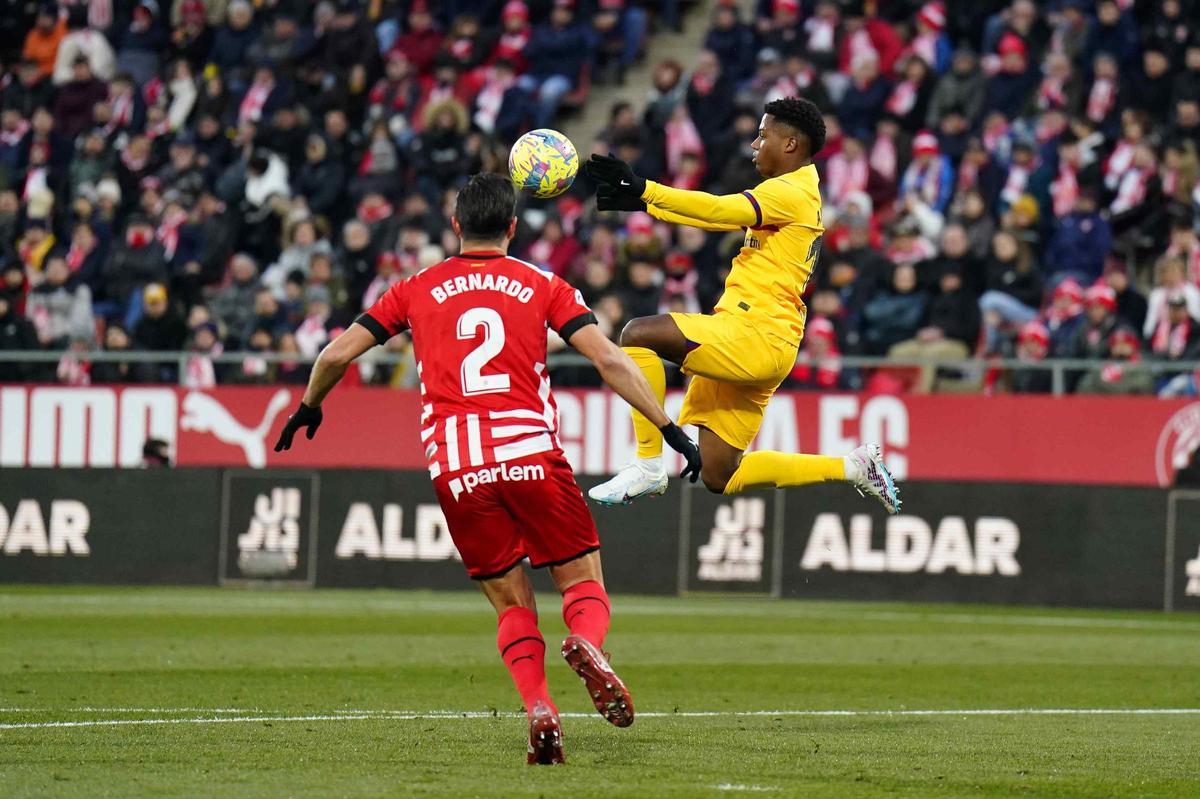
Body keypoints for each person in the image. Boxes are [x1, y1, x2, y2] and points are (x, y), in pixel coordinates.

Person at [273, 173, 701, 766]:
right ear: (513, 227)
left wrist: (308, 407)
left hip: (456, 466)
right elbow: (609, 359)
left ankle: (539, 706)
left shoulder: (414, 288)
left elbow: (334, 354)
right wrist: (669, 427)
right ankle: (586, 642)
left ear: (456, 226)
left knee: (510, 603)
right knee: (582, 581)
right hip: (529, 452)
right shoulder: (543, 284)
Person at [582, 97, 900, 512]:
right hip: (766, 339)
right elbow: (716, 216)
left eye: (763, 135)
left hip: (754, 334)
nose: (754, 143)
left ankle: (648, 465)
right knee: (720, 474)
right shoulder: (796, 192)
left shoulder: (791, 191)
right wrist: (646, 204)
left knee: (638, 334)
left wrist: (646, 190)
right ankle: (853, 467)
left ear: (790, 144)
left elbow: (719, 211)